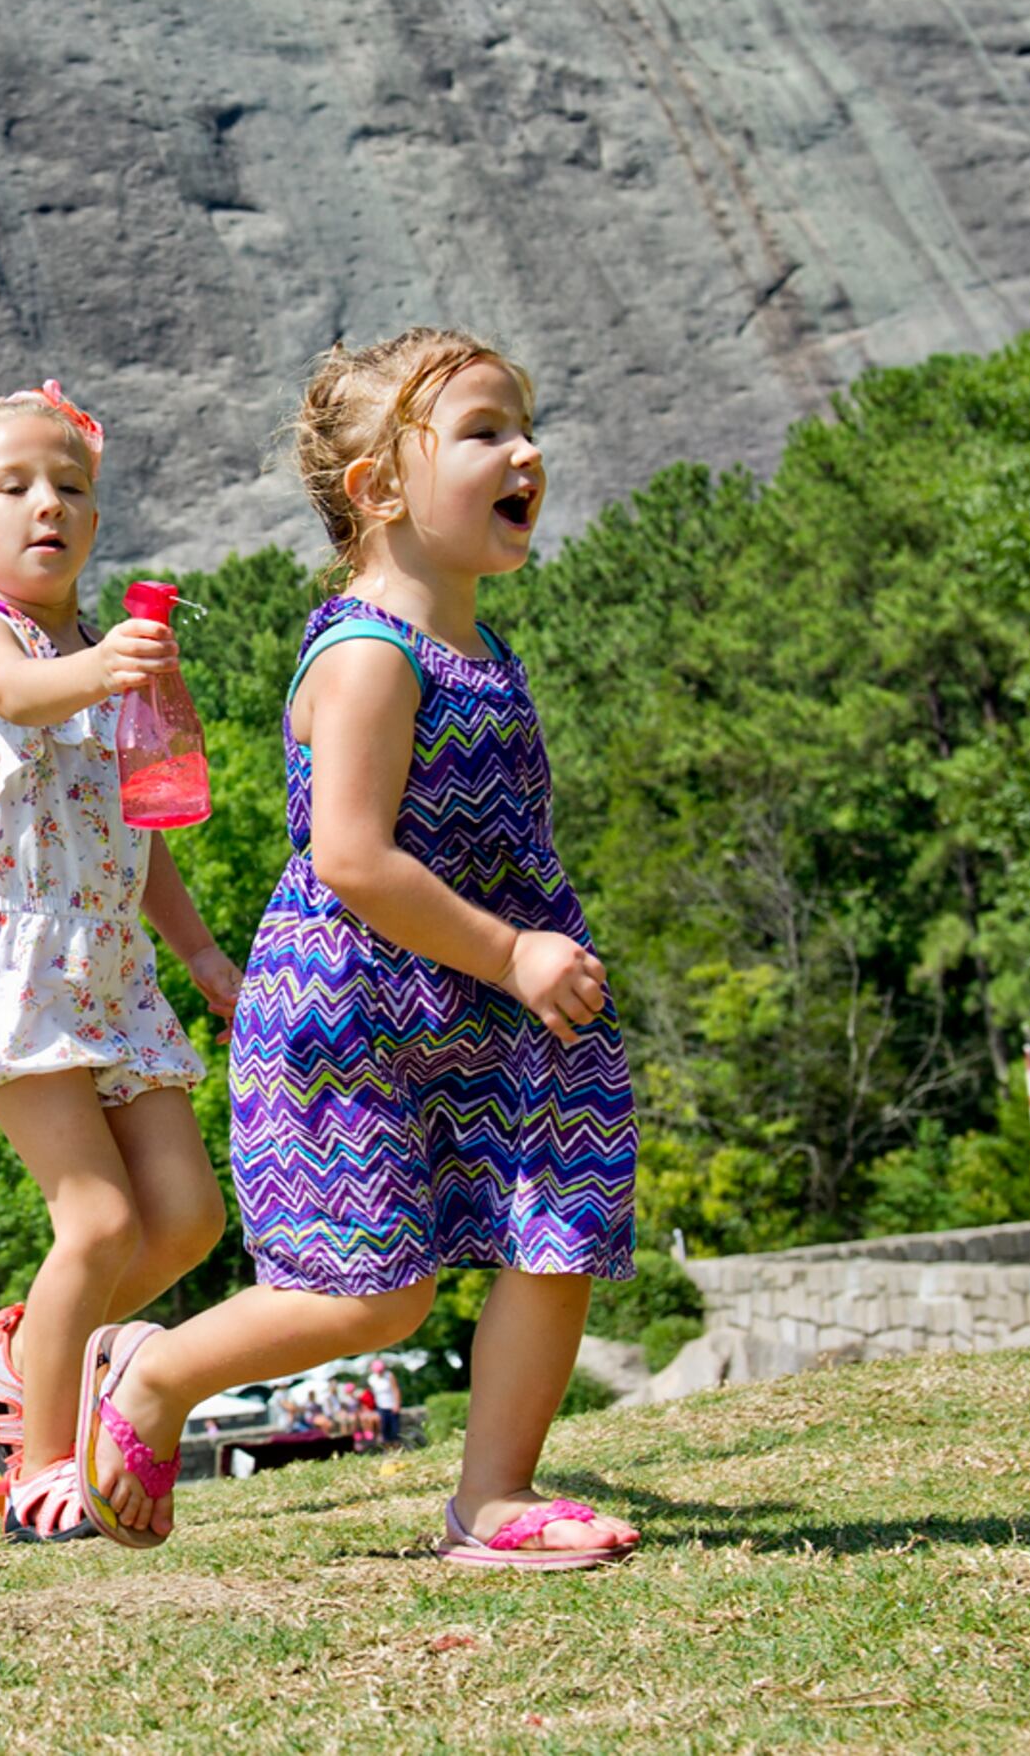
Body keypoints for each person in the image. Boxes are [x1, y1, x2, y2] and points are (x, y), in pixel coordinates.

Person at [84, 330, 641, 1567]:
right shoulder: (368, 654)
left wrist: (522, 963)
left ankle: (491, 1502)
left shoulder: (482, 647)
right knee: (374, 1293)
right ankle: (154, 1372)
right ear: (381, 488)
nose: (527, 451)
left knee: (556, 1220)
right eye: (487, 430)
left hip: (494, 1003)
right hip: (359, 1011)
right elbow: (350, 856)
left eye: (526, 424)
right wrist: (515, 954)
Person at [0, 382, 240, 1545]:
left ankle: (23, 1345)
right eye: (15, 488)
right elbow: (20, 695)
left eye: (71, 488)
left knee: (190, 1219)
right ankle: (43, 1473)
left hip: (114, 972)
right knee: (95, 1223)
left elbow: (139, 830)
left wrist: (199, 954)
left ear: (93, 522)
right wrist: (112, 675)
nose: (48, 504)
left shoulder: (104, 661)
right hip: (19, 975)